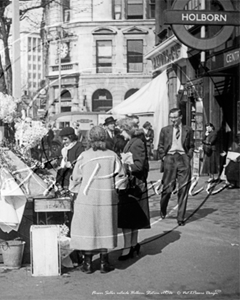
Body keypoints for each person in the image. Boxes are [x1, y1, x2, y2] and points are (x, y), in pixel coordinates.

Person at [69, 125, 127, 274]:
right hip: (106, 197)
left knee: (88, 227)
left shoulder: (84, 156)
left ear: (89, 139)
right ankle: (103, 262)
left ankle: (87, 263)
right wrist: (116, 190)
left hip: (87, 196)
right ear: (105, 137)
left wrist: (75, 190)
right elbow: (121, 178)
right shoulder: (112, 155)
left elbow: (75, 178)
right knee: (105, 226)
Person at [116, 117, 150, 260]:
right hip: (132, 184)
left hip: (132, 184)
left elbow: (139, 166)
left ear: (127, 129)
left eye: (122, 130)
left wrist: (123, 166)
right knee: (133, 218)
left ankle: (127, 247)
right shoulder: (132, 142)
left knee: (127, 219)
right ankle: (133, 244)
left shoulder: (136, 143)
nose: (121, 133)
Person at [157, 108, 194, 226]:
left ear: (180, 117)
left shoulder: (188, 130)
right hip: (170, 158)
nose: (172, 120)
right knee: (167, 188)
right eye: (171, 117)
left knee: (183, 188)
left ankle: (181, 217)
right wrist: (163, 157)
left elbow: (191, 145)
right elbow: (161, 146)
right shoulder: (165, 130)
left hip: (183, 158)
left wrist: (188, 157)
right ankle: (163, 208)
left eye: (175, 117)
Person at [55, 126, 84, 191]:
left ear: (71, 138)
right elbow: (57, 157)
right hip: (62, 176)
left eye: (65, 139)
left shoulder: (79, 146)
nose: (63, 142)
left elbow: (80, 162)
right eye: (62, 139)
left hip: (73, 176)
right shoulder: (63, 146)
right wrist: (60, 162)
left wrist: (70, 164)